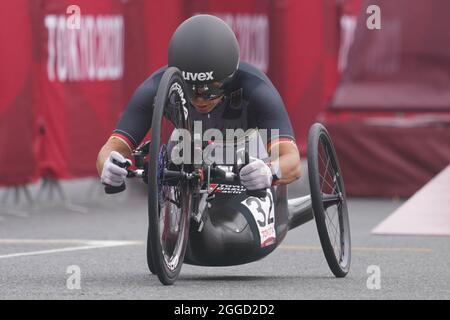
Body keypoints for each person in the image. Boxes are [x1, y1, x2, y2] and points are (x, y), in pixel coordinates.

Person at [97, 14, 301, 193]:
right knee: (177, 145)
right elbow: (112, 148)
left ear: (230, 76)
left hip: (247, 156)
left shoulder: (257, 89)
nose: (200, 99)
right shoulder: (155, 87)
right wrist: (108, 166)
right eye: (190, 88)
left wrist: (270, 172)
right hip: (189, 156)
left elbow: (292, 161)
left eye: (211, 89)